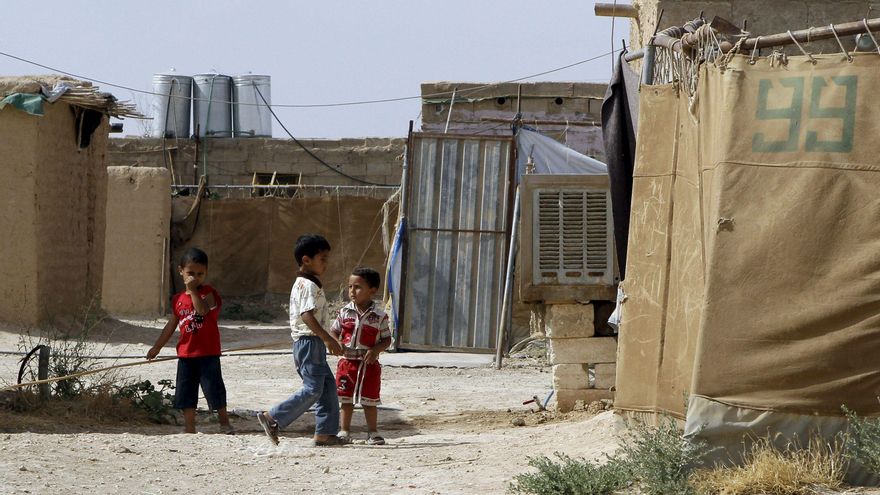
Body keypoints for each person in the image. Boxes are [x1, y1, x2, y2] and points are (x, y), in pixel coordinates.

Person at [257, 234, 348, 446]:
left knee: (326, 389)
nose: (326, 263)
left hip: (312, 342)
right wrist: (326, 339)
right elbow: (307, 316)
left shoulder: (307, 283)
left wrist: (331, 337)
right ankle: (272, 417)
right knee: (313, 388)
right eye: (322, 258)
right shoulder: (307, 285)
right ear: (306, 260)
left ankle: (325, 433)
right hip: (309, 343)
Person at [147, 247, 233, 435]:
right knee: (187, 392)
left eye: (200, 274)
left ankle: (224, 423)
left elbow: (202, 311)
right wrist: (157, 347)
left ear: (206, 273)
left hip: (208, 352)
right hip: (186, 353)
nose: (195, 277)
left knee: (214, 389)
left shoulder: (209, 293)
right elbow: (171, 326)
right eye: (190, 273)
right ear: (181, 272)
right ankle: (189, 428)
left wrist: (193, 290)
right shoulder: (177, 299)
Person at [331, 267, 393, 445]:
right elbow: (334, 331)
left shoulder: (379, 317)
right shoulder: (344, 312)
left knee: (370, 400)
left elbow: (387, 339)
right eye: (350, 287)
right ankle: (344, 431)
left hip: (369, 365)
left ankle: (372, 433)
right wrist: (336, 343)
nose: (352, 291)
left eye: (357, 287)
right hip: (347, 363)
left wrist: (375, 350)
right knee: (346, 399)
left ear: (372, 290)